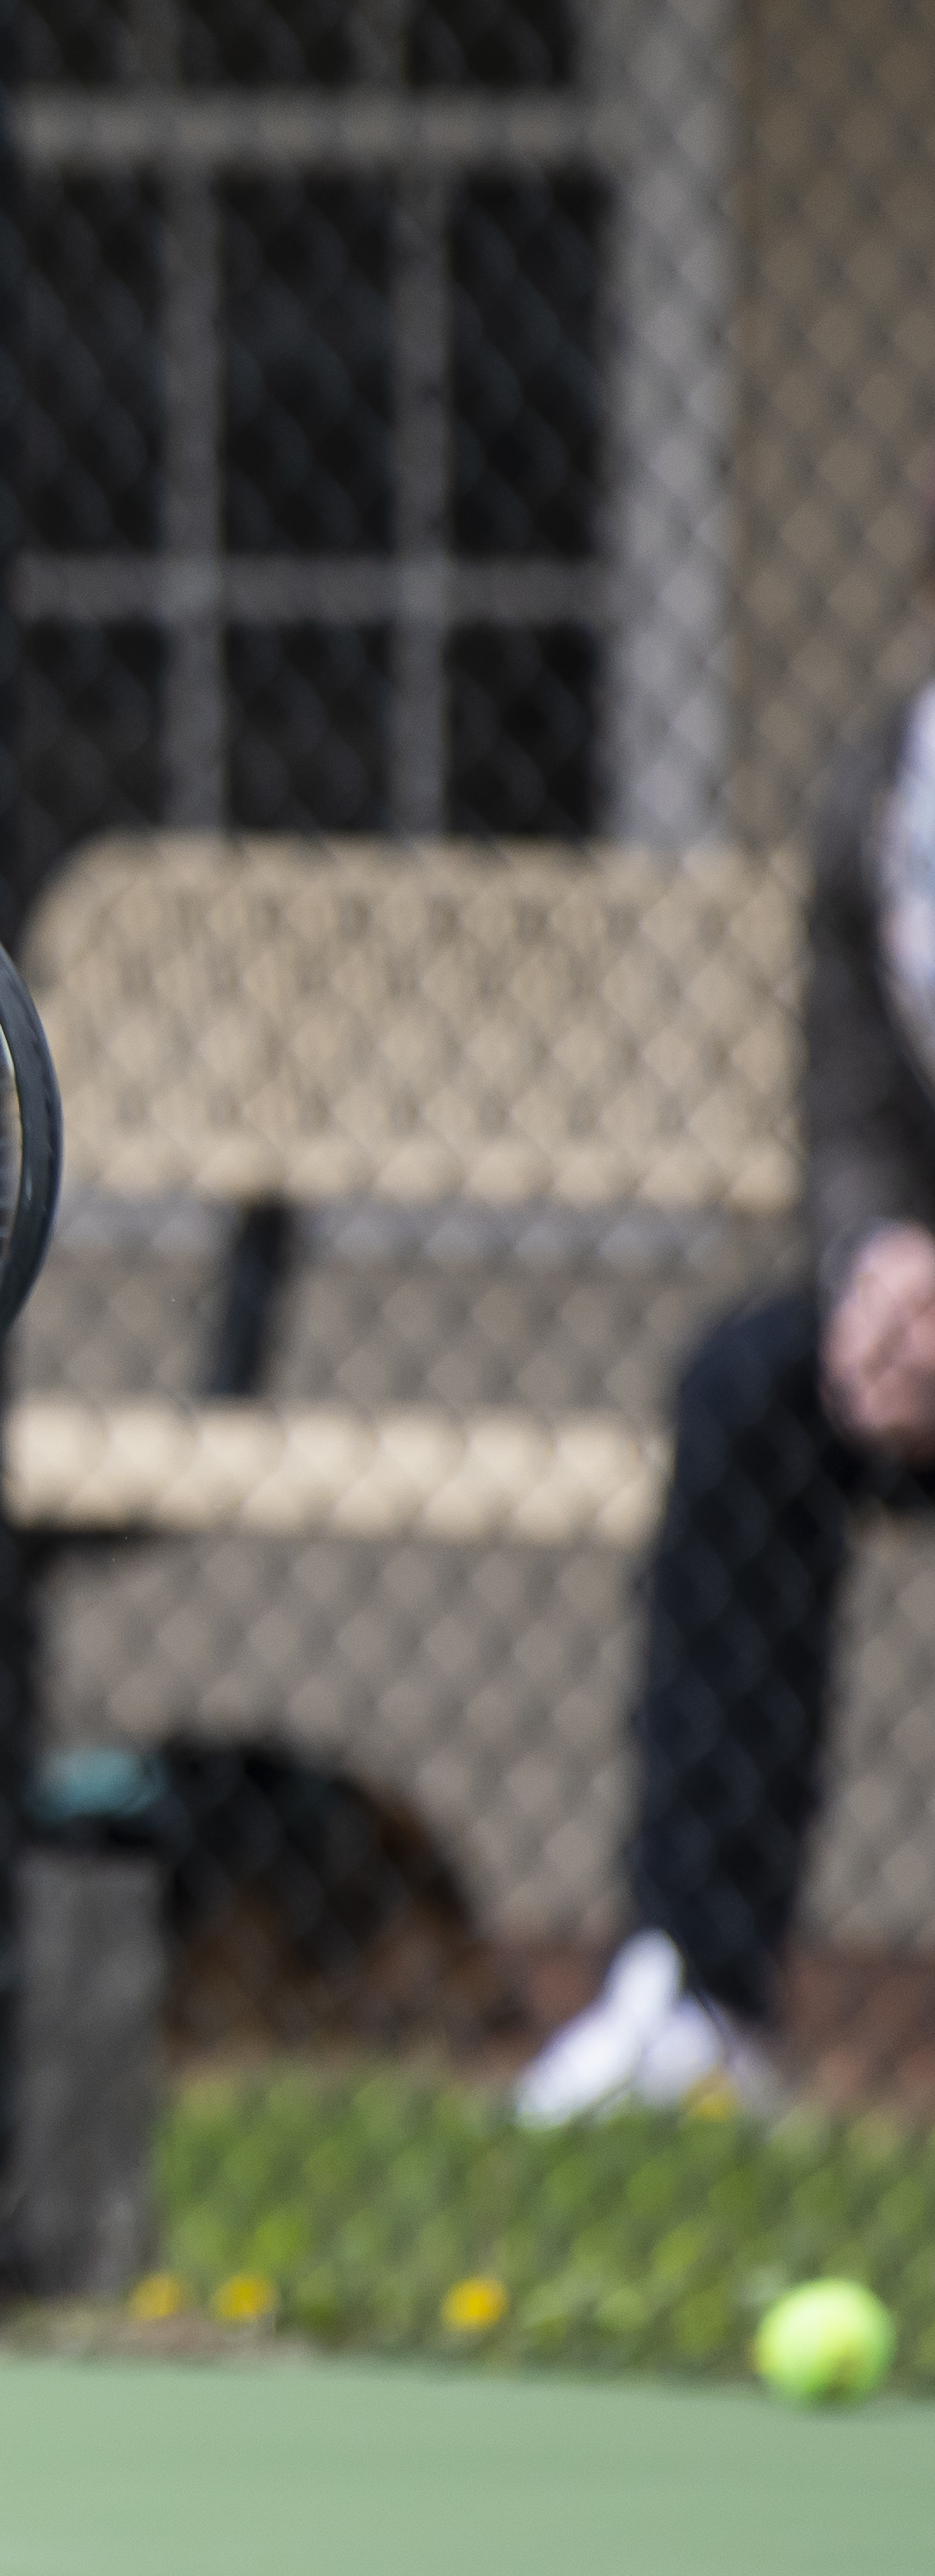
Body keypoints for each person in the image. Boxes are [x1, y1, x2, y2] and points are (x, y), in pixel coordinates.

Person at [517, 651, 935, 2121]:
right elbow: (853, 1094)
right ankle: (695, 1996)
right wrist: (880, 1269)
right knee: (747, 1394)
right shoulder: (890, 770)